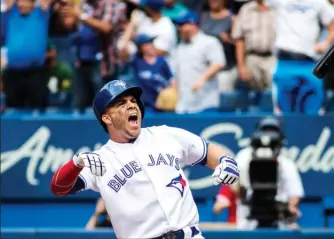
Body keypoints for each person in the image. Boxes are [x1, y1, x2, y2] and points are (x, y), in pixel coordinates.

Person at [50, 79, 240, 239]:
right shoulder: (101, 159)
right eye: (121, 103)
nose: (131, 105)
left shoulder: (166, 135)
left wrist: (225, 161)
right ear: (107, 118)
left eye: (133, 100)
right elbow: (58, 188)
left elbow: (208, 152)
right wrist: (76, 163)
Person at [247, 0, 334, 115]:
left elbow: (333, 27)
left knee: (313, 111)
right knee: (285, 113)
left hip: (311, 64)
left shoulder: (317, 1)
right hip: (285, 62)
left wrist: (325, 43)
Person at [235, 117, 304, 230]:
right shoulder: (242, 157)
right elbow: (234, 187)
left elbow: (295, 193)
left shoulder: (286, 163)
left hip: (278, 225)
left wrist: (290, 208)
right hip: (248, 225)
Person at [171, 11, 226, 114]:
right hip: (184, 105)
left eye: (182, 25)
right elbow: (174, 72)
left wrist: (202, 79)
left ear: (192, 25)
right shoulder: (179, 47)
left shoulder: (209, 42)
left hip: (205, 103)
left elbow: (218, 64)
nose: (179, 28)